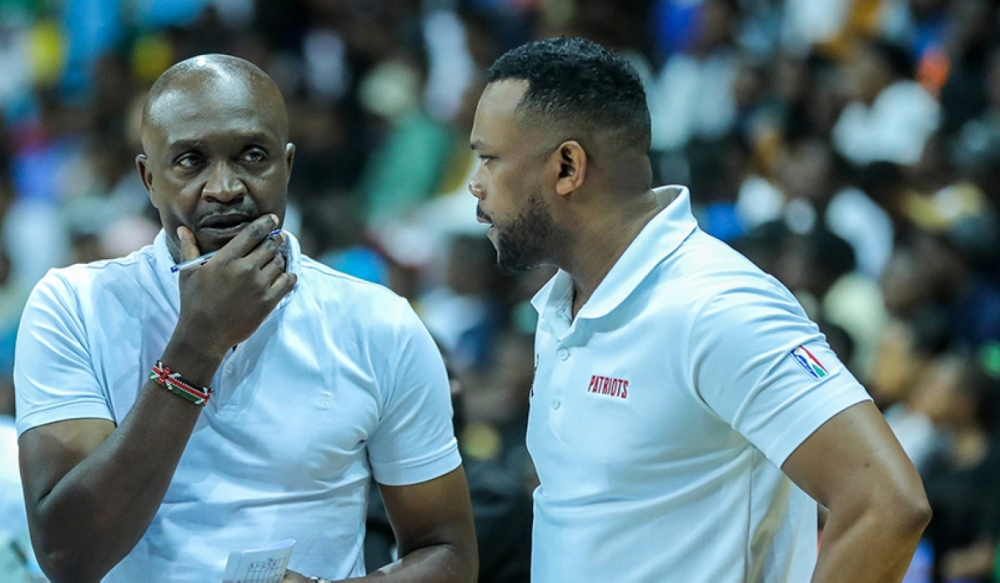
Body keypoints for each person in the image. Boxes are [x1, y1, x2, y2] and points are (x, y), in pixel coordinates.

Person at [468, 37, 930, 582]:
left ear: (568, 166)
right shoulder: (563, 305)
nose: (474, 184)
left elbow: (887, 504)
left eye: (489, 160)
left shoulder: (716, 305)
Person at [14, 54, 477, 582]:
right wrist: (198, 344)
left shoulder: (379, 322)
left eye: (252, 155)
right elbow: (68, 558)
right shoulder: (72, 305)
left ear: (288, 165)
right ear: (148, 179)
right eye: (190, 161)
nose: (225, 187)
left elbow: (449, 555)